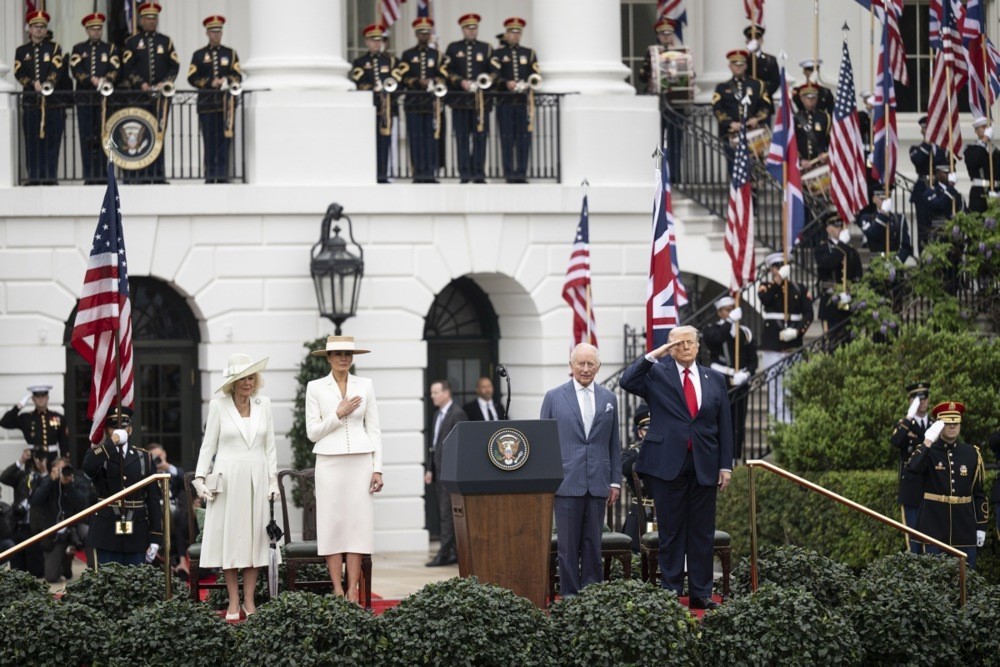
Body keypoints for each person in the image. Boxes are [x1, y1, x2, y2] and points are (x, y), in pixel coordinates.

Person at [619, 326, 733, 610]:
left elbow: (724, 425)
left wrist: (725, 466)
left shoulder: (714, 379)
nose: (686, 347)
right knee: (671, 531)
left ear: (698, 345)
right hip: (667, 464)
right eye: (679, 343)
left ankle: (700, 593)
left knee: (702, 532)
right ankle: (670, 591)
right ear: (669, 348)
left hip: (704, 464)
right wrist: (655, 355)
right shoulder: (657, 374)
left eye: (690, 342)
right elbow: (627, 380)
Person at [192, 354, 278, 619]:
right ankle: (233, 601)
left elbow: (270, 447)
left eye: (251, 377)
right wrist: (199, 478)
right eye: (242, 378)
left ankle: (249, 602)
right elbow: (208, 446)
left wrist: (273, 481)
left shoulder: (264, 404)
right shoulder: (218, 406)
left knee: (254, 541)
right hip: (227, 480)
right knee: (230, 541)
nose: (247, 383)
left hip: (257, 479)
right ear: (232, 382)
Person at [305, 336, 383, 601]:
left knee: (358, 526)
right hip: (329, 463)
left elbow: (374, 429)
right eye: (338, 354)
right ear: (328, 358)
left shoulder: (366, 385)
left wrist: (377, 469)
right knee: (332, 525)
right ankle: (337, 590)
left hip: (361, 463)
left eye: (348, 354)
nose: (343, 358)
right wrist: (338, 413)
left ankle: (352, 591)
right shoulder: (315, 387)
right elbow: (312, 432)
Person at [541, 343, 621, 597]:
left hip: (598, 482)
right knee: (567, 546)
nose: (585, 369)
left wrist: (615, 481)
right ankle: (569, 597)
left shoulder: (609, 398)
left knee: (592, 544)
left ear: (598, 367)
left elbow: (613, 442)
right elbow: (545, 442)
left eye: (590, 364)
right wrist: (547, 481)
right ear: (571, 365)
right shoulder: (553, 397)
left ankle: (591, 597)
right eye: (581, 363)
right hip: (566, 483)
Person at [905, 401, 987, 568]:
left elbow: (978, 493)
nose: (952, 426)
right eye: (947, 423)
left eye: (955, 422)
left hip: (964, 528)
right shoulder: (929, 451)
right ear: (939, 425)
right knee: (932, 576)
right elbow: (913, 468)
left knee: (965, 576)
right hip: (933, 526)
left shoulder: (971, 453)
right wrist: (927, 441)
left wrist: (981, 526)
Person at [82, 409, 163, 568]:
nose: (119, 431)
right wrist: (112, 443)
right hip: (106, 531)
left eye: (124, 427)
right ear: (107, 430)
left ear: (130, 429)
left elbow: (153, 499)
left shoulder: (144, 457)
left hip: (136, 530)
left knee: (136, 579)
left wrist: (155, 537)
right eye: (114, 427)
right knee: (107, 579)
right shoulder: (100, 454)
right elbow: (88, 467)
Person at [121, 2, 179, 184]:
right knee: (141, 134)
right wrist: (141, 83)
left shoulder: (165, 41)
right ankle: (141, 175)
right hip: (139, 97)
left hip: (161, 98)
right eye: (148, 18)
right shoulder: (132, 42)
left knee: (158, 134)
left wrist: (165, 82)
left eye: (154, 18)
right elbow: (127, 68)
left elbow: (174, 66)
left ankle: (158, 174)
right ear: (141, 20)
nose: (151, 21)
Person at [442, 13, 497, 184]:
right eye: (468, 28)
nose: (471, 31)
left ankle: (479, 172)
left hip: (481, 102)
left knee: (480, 138)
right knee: (462, 138)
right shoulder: (453, 48)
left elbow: (495, 71)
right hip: (460, 102)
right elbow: (446, 70)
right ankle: (464, 173)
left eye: (474, 28)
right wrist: (460, 81)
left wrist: (485, 81)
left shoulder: (487, 48)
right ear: (463, 29)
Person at [188, 15, 242, 184]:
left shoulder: (230, 54)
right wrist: (210, 83)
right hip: (207, 105)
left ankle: (223, 174)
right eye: (213, 32)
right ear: (207, 33)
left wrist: (227, 80)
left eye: (218, 32)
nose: (216, 35)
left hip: (226, 106)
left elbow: (238, 75)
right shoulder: (199, 55)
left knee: (224, 142)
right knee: (209, 141)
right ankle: (210, 175)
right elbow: (192, 77)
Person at [702, 296, 757, 459]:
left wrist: (746, 374)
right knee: (721, 421)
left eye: (733, 309)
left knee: (738, 422)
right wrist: (730, 321)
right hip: (720, 379)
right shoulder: (711, 329)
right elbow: (718, 337)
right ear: (719, 312)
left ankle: (735, 456)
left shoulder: (745, 332)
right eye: (727, 310)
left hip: (740, 380)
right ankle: (720, 457)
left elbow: (753, 360)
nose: (731, 312)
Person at [13, 10, 65, 185]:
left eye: (42, 26)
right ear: (30, 29)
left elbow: (57, 68)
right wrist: (31, 84)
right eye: (36, 26)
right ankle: (34, 177)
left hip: (52, 105)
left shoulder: (54, 48)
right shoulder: (21, 51)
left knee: (52, 142)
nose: (39, 29)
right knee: (32, 143)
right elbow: (18, 72)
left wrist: (47, 83)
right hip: (31, 104)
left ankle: (50, 177)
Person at [350, 24, 405, 184]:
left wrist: (388, 90)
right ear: (367, 42)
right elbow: (359, 82)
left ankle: (384, 174)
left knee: (386, 143)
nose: (376, 43)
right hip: (370, 110)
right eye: (373, 40)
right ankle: (370, 174)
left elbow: (398, 82)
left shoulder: (391, 61)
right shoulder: (360, 62)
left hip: (388, 109)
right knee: (369, 143)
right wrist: (373, 89)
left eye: (379, 40)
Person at [69, 13, 119, 185]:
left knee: (104, 137)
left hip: (104, 101)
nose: (96, 32)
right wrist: (90, 79)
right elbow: (75, 69)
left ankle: (103, 174)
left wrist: (106, 79)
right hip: (85, 99)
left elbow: (116, 68)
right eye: (93, 29)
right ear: (87, 30)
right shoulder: (78, 49)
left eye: (99, 29)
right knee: (86, 137)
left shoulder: (110, 48)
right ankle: (89, 175)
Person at [638, 17, 689, 180]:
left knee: (675, 141)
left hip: (676, 103)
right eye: (663, 34)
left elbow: (688, 76)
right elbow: (642, 76)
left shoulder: (681, 54)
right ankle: (656, 174)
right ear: (658, 36)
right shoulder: (653, 53)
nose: (666, 37)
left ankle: (674, 176)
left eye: (669, 34)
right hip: (658, 103)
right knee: (656, 141)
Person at [423, 379, 467, 567]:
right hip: (438, 471)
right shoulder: (437, 415)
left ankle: (444, 553)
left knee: (447, 514)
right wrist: (430, 469)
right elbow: (434, 445)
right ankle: (452, 552)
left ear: (446, 393)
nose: (432, 396)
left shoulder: (457, 414)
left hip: (450, 474)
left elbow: (461, 445)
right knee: (444, 513)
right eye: (432, 392)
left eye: (435, 392)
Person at [493, 17, 541, 184]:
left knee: (523, 139)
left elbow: (536, 74)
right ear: (506, 34)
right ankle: (509, 174)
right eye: (512, 32)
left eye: (518, 32)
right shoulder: (498, 54)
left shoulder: (529, 53)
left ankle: (521, 173)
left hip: (523, 103)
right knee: (506, 139)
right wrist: (506, 83)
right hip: (505, 103)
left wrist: (527, 84)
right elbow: (494, 75)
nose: (515, 35)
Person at [29, 456, 85, 583]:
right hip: (56, 534)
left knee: (88, 533)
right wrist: (50, 480)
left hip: (74, 529)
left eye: (65, 469)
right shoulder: (48, 482)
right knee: (51, 577)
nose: (63, 472)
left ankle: (94, 568)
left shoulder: (77, 481)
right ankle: (66, 560)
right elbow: (36, 500)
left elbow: (82, 504)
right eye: (60, 470)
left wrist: (69, 485)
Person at [889, 381, 931, 554]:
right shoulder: (904, 424)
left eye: (924, 397)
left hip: (931, 484)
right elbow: (896, 441)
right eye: (917, 398)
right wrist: (908, 417)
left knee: (932, 537)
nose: (922, 401)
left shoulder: (935, 423)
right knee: (913, 536)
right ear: (910, 401)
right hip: (911, 486)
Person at [401, 17, 443, 184]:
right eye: (421, 33)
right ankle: (418, 173)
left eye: (426, 33)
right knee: (415, 139)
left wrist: (434, 81)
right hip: (413, 103)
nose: (424, 36)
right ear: (416, 34)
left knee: (431, 139)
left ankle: (430, 172)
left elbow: (443, 74)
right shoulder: (408, 54)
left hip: (431, 103)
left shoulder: (437, 55)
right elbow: (403, 76)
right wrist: (418, 81)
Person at [711, 49, 772, 158]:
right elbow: (717, 108)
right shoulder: (722, 87)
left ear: (745, 66)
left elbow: (766, 105)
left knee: (756, 165)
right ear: (730, 66)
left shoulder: (757, 85)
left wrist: (757, 118)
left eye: (741, 64)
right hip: (731, 134)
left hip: (753, 133)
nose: (738, 67)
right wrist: (730, 123)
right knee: (733, 165)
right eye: (735, 64)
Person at [0, 448, 49, 576]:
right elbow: (4, 477)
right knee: (17, 571)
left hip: (35, 528)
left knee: (36, 572)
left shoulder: (46, 478)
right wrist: (21, 460)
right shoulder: (22, 476)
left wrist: (43, 469)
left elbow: (49, 488)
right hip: (18, 526)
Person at [814, 211, 863, 339]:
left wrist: (851, 292)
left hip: (849, 302)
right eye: (835, 226)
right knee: (832, 341)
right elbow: (828, 263)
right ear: (828, 229)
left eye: (840, 225)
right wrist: (841, 245)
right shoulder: (822, 249)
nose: (839, 228)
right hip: (831, 303)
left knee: (849, 342)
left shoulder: (851, 251)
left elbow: (858, 276)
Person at [1, 385, 70, 464]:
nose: (41, 399)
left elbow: (64, 442)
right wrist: (19, 406)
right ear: (33, 399)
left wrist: (64, 460)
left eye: (43, 396)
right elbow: (4, 422)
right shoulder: (26, 417)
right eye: (37, 396)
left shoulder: (58, 417)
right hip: (32, 460)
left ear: (47, 398)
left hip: (52, 460)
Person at [147, 443, 187, 577]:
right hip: (155, 510)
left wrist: (168, 467)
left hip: (174, 510)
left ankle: (182, 562)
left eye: (159, 456)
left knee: (177, 517)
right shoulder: (148, 473)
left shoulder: (173, 471)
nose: (158, 459)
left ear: (164, 454)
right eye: (154, 457)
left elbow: (187, 482)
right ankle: (161, 559)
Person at [621, 405, 650, 553]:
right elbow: (625, 468)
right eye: (646, 430)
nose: (650, 433)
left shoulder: (665, 450)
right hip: (639, 510)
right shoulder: (633, 451)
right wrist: (646, 449)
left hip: (662, 509)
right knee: (634, 553)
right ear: (639, 432)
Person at [857, 186, 913, 264]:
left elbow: (906, 246)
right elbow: (872, 235)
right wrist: (883, 214)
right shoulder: (867, 218)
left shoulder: (899, 219)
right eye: (882, 198)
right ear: (874, 199)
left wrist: (897, 261)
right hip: (876, 262)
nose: (885, 202)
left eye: (887, 198)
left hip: (894, 262)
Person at [963, 117, 1000, 213]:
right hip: (979, 193)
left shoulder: (995, 150)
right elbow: (974, 161)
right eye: (983, 127)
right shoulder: (971, 149)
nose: (987, 130)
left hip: (996, 191)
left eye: (988, 127)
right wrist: (984, 140)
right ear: (976, 131)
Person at [794, 84, 830, 173]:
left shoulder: (825, 117)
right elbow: (792, 143)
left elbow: (830, 141)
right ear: (802, 98)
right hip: (802, 167)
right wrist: (800, 160)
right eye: (808, 97)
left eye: (814, 98)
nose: (811, 100)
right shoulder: (795, 118)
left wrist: (825, 154)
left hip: (820, 165)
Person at [743, 23, 779, 99]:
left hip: (764, 98)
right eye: (750, 38)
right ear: (746, 41)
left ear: (762, 40)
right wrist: (747, 52)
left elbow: (775, 82)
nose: (754, 41)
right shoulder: (744, 59)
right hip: (747, 98)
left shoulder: (770, 60)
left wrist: (761, 92)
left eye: (757, 38)